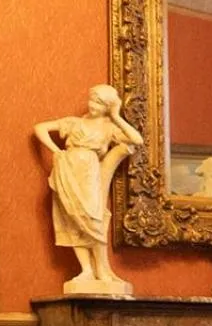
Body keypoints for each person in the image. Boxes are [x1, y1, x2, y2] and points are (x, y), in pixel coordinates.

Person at [33, 84, 143, 287]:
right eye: (91, 100)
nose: (92, 105)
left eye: (99, 103)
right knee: (72, 218)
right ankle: (86, 270)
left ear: (108, 106)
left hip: (90, 172)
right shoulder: (74, 123)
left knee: (93, 217)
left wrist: (116, 116)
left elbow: (137, 139)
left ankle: (101, 268)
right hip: (68, 170)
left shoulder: (109, 128)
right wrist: (55, 151)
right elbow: (39, 128)